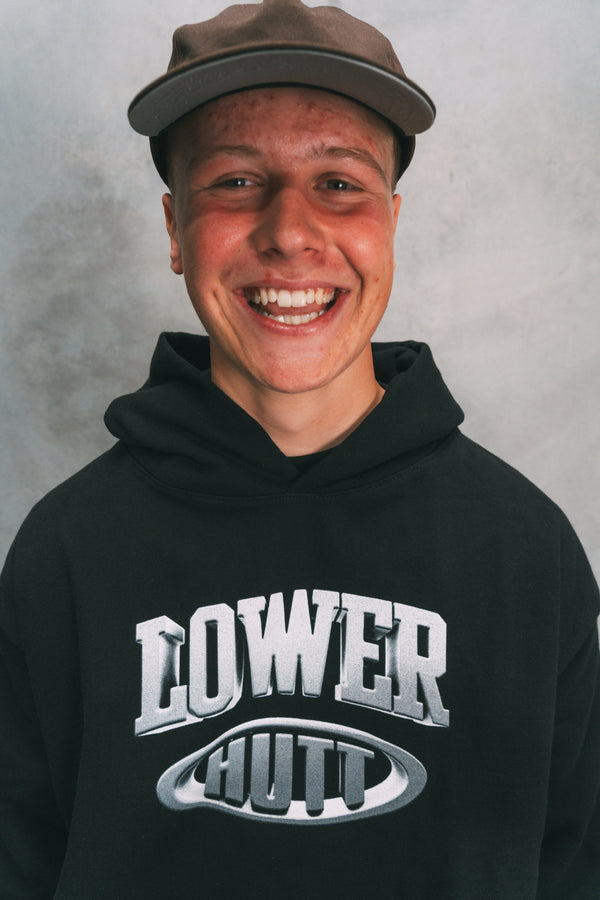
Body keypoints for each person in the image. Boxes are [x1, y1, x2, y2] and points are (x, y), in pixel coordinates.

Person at [1, 0, 598, 897]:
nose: (288, 230)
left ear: (390, 222)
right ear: (173, 229)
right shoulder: (66, 551)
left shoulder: (527, 550)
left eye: (339, 183)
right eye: (237, 181)